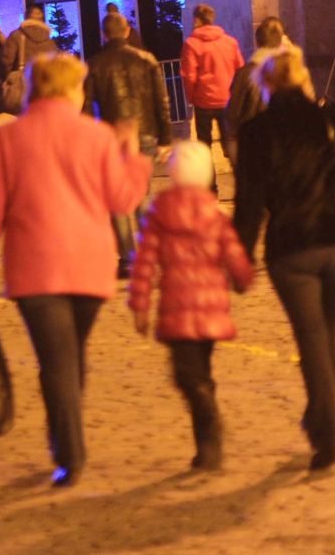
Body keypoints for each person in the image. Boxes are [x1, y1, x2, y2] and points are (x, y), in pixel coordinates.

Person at [0, 52, 152, 488]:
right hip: (90, 266)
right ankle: (67, 443)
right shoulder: (97, 136)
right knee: (71, 357)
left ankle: (68, 448)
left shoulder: (8, 139)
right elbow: (123, 201)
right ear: (70, 89)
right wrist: (134, 157)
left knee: (58, 360)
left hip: (35, 270)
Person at [232, 49, 335, 472]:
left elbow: (248, 207)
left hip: (293, 248)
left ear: (264, 85)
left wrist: (240, 258)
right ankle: (320, 416)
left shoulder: (254, 132)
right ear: (303, 79)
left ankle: (328, 430)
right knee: (326, 336)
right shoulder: (331, 117)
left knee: (312, 340)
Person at [128, 142, 254, 470]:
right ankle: (207, 444)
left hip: (177, 309)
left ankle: (209, 430)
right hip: (211, 310)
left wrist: (140, 304)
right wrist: (242, 279)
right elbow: (234, 254)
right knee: (201, 373)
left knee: (188, 377)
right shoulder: (215, 214)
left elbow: (145, 260)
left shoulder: (160, 211)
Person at [85, 11, 175, 274]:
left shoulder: (94, 64)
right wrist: (166, 138)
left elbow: (88, 107)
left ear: (104, 34)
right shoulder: (147, 60)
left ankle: (127, 257)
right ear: (127, 31)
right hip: (144, 132)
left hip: (111, 134)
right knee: (142, 192)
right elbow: (162, 101)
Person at [223, 16, 295, 163]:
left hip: (252, 144)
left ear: (257, 42)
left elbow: (232, 113)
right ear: (281, 42)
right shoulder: (291, 72)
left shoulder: (245, 73)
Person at [180, 4, 244, 170]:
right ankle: (241, 182)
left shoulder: (191, 44)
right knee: (230, 140)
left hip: (204, 101)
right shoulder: (230, 42)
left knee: (205, 145)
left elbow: (189, 75)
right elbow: (240, 69)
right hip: (228, 99)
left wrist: (192, 98)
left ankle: (211, 189)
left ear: (196, 20)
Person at [0, 7, 57, 112]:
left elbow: (6, 61)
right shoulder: (49, 40)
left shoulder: (16, 35)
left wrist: (8, 77)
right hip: (45, 84)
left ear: (25, 17)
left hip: (23, 85)